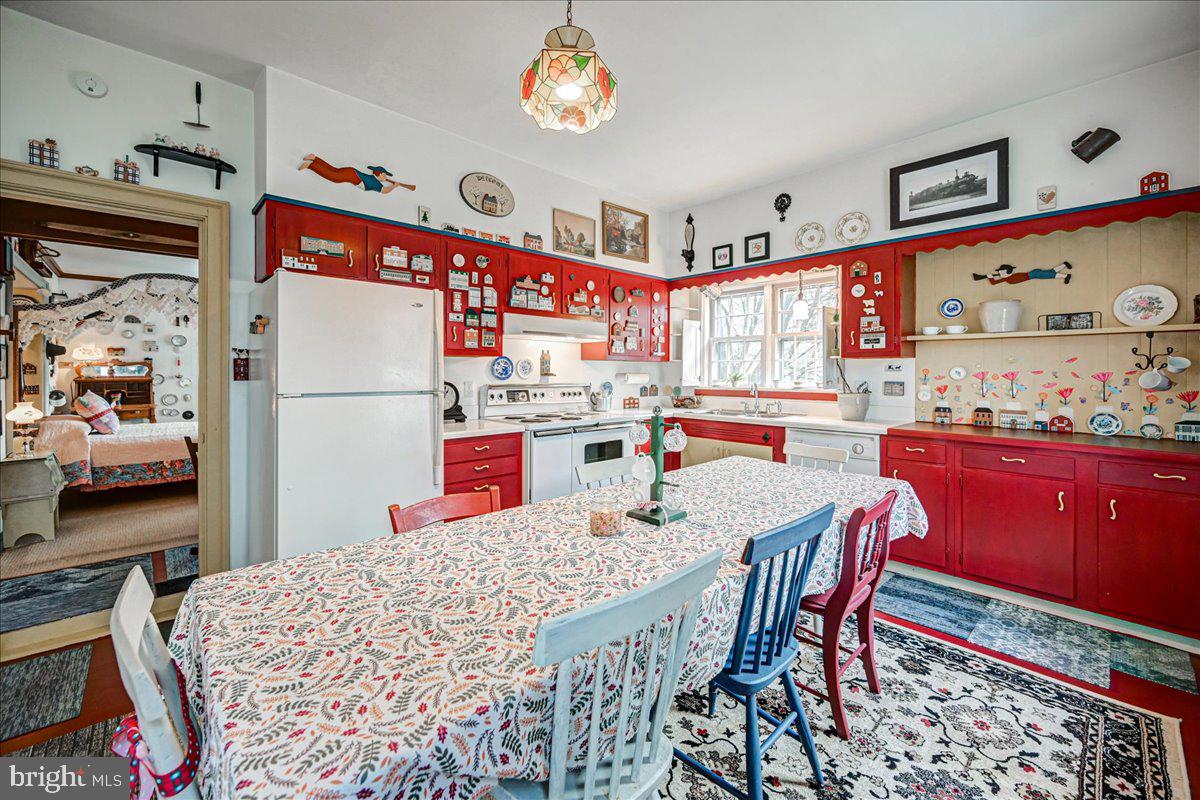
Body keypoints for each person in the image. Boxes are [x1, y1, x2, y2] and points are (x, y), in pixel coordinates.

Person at [297, 154, 415, 194]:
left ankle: (315, 159)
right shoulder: (375, 183)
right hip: (352, 176)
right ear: (379, 174)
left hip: (351, 172)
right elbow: (384, 191)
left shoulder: (374, 180)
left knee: (333, 170)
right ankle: (311, 165)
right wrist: (394, 186)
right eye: (384, 175)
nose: (385, 178)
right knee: (334, 177)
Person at [973, 261, 1072, 285]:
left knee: (1049, 275)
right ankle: (1064, 265)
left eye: (1001, 271)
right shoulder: (1007, 278)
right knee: (1050, 272)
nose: (1000, 273)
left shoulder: (1008, 278)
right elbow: (994, 283)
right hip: (1033, 274)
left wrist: (990, 277)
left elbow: (994, 282)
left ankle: (1066, 275)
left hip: (1033, 274)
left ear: (1007, 271)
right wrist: (990, 277)